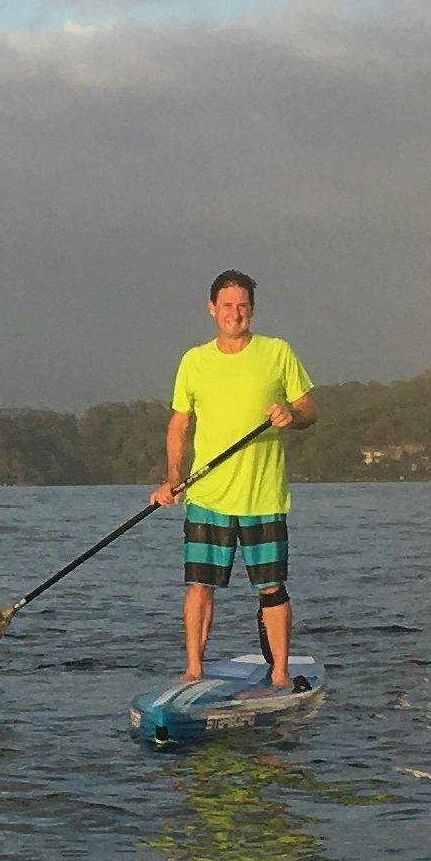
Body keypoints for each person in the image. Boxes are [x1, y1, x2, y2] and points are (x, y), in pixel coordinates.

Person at [150, 270, 315, 689]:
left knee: (272, 588)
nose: (235, 313)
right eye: (227, 305)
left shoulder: (277, 353)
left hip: (263, 496)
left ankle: (279, 674)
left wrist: (291, 417)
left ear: (252, 310)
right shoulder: (194, 360)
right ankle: (193, 670)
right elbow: (179, 423)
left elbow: (309, 410)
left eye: (243, 305)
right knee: (200, 586)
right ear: (212, 309)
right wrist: (173, 476)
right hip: (208, 497)